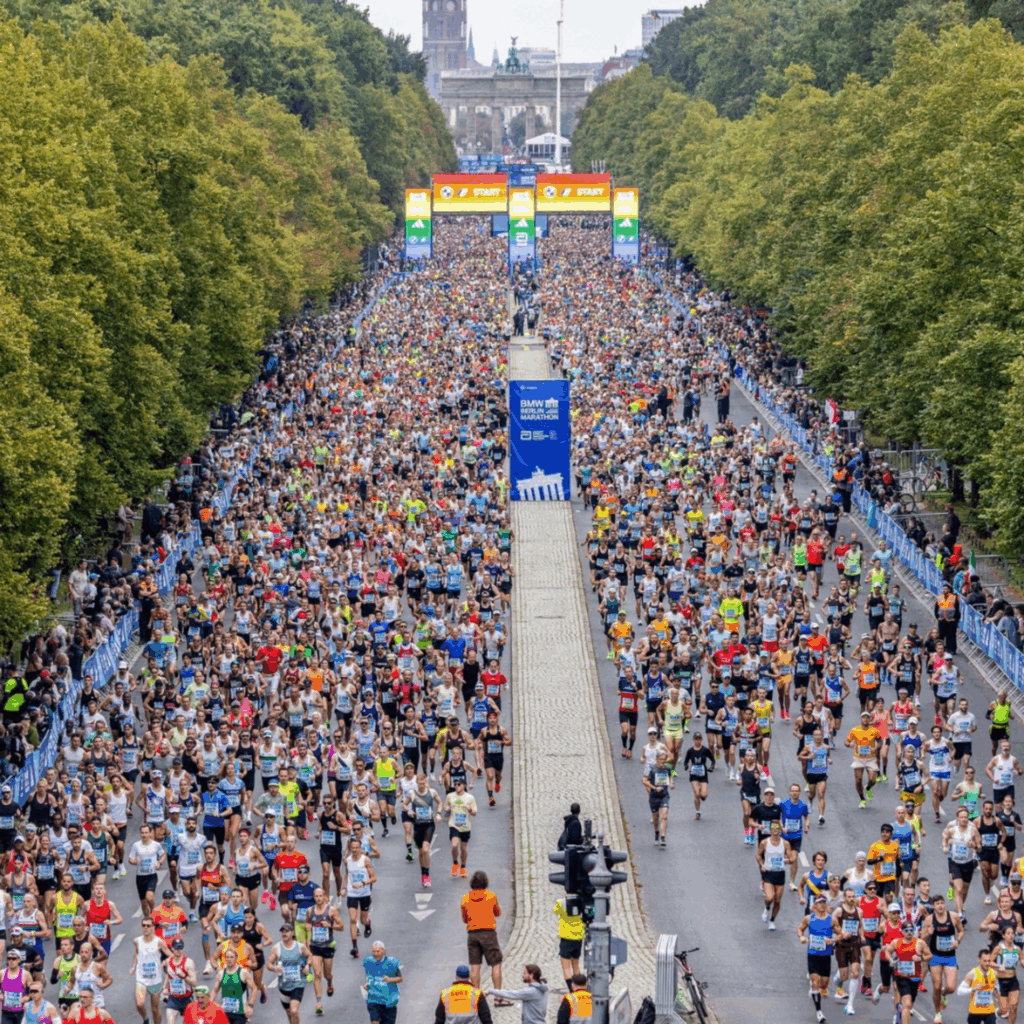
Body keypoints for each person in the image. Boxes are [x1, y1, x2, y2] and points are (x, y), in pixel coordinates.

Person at [461, 871, 504, 996]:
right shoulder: (491, 896)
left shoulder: (465, 898)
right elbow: (498, 912)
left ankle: (476, 996)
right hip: (488, 933)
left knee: (475, 965)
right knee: (495, 963)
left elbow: (465, 919)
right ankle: (498, 996)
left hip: (472, 934)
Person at [266, 924, 310, 1024]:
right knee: (290, 1015)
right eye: (282, 932)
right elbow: (269, 964)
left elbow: (309, 956)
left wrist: (307, 966)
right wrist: (274, 968)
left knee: (294, 1010)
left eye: (286, 931)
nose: (284, 933)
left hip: (298, 983)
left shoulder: (300, 946)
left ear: (292, 933)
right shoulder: (276, 948)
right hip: (284, 985)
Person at [756, 820, 794, 931]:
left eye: (778, 828)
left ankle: (772, 920)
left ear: (780, 829)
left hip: (780, 873)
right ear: (770, 829)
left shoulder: (785, 843)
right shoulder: (764, 842)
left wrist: (787, 860)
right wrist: (762, 864)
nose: (775, 830)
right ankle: (766, 908)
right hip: (768, 873)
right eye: (773, 828)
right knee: (769, 897)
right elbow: (758, 856)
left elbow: (791, 859)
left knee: (777, 900)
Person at [362, 941, 402, 1024]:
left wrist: (390, 980)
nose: (375, 954)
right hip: (374, 999)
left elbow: (400, 979)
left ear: (384, 951)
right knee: (374, 1022)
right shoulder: (369, 962)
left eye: (378, 951)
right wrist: (367, 984)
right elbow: (369, 977)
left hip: (389, 1000)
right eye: (374, 951)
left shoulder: (391, 963)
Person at [957, 947, 998, 1023]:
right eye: (984, 961)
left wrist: (995, 992)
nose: (987, 963)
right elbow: (959, 991)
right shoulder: (972, 974)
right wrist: (974, 988)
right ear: (979, 960)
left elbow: (997, 989)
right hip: (975, 1011)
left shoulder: (994, 973)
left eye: (989, 961)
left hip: (989, 1010)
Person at [553, 898, 584, 984]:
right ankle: (579, 988)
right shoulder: (582, 901)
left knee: (566, 967)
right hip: (578, 937)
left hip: (566, 938)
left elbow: (556, 911)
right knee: (576, 965)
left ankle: (571, 989)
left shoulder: (561, 902)